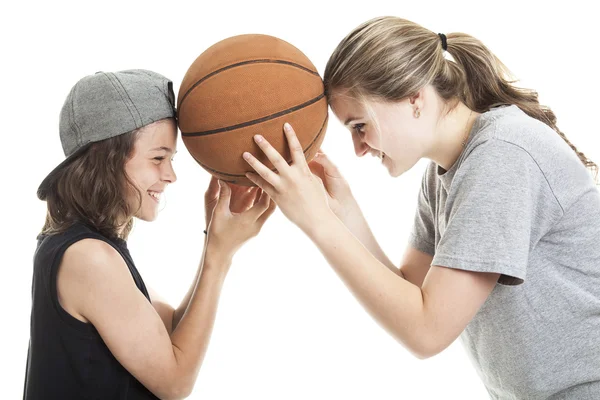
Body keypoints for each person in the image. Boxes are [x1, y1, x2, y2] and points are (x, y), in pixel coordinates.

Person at [242, 16, 600, 399]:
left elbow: (426, 332)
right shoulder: (445, 171)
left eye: (359, 126)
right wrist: (340, 213)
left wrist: (317, 224)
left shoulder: (502, 155)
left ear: (415, 97)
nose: (358, 149)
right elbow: (411, 293)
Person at [24, 69, 275, 399]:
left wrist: (217, 243)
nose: (171, 175)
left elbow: (169, 330)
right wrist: (218, 253)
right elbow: (174, 383)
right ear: (106, 161)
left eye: (171, 159)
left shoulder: (90, 246)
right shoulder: (88, 257)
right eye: (158, 158)